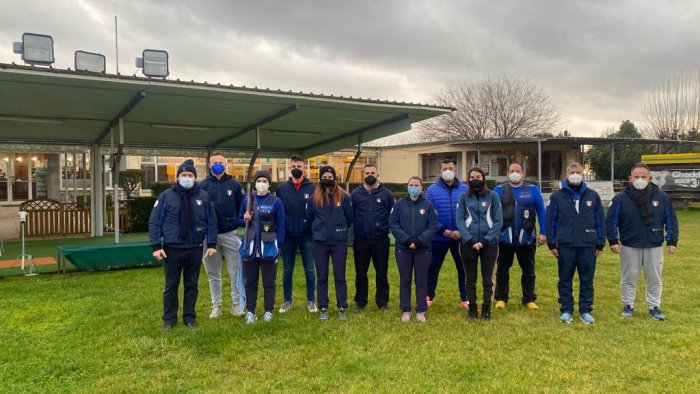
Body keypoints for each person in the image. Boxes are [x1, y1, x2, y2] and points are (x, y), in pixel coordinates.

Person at [149, 159, 218, 331]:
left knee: (191, 284)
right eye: (183, 175)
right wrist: (156, 246)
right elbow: (155, 222)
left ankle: (189, 318)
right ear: (177, 177)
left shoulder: (203, 196)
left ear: (195, 177)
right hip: (172, 249)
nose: (186, 178)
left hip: (194, 248)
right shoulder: (166, 196)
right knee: (171, 285)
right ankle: (169, 319)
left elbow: (212, 222)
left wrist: (211, 244)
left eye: (190, 175)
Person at [605, 163, 678, 321]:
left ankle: (654, 306)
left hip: (654, 244)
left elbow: (671, 220)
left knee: (654, 278)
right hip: (630, 244)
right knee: (628, 277)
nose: (639, 179)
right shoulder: (620, 198)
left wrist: (672, 241)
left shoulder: (662, 198)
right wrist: (612, 240)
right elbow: (611, 221)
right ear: (630, 179)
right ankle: (628, 305)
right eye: (636, 177)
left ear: (650, 178)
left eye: (643, 177)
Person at [546, 162, 605, 325]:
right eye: (572, 172)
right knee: (565, 279)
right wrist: (552, 243)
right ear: (566, 174)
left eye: (578, 172)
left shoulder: (593, 196)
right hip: (566, 245)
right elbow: (551, 221)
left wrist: (600, 243)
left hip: (588, 245)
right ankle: (566, 309)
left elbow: (600, 220)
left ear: (583, 174)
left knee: (587, 280)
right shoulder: (557, 196)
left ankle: (585, 310)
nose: (575, 174)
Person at [494, 162, 547, 310]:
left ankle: (529, 298)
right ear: (507, 173)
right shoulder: (499, 190)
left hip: (527, 237)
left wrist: (543, 232)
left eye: (518, 170)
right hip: (505, 237)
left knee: (529, 270)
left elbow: (541, 211)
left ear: (522, 173)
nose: (515, 173)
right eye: (512, 170)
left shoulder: (532, 190)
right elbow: (492, 213)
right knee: (502, 269)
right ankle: (501, 298)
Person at [199, 152, 246, 319]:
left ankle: (236, 306)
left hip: (230, 234)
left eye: (220, 162)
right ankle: (216, 307)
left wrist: (238, 221)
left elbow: (243, 206)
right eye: (214, 162)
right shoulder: (202, 186)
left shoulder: (234, 184)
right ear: (209, 165)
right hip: (209, 238)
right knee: (213, 274)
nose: (217, 165)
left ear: (225, 164)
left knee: (236, 272)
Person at [305, 165, 353, 322]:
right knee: (322, 276)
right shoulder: (314, 199)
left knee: (340, 276)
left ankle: (342, 307)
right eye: (324, 177)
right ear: (320, 179)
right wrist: (318, 231)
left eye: (329, 177)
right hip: (320, 242)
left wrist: (341, 230)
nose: (327, 179)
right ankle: (323, 307)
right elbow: (310, 218)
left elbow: (349, 217)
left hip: (339, 242)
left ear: (335, 178)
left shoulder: (344, 197)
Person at [238, 170, 285, 324]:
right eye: (259, 180)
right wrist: (244, 218)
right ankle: (250, 311)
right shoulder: (247, 200)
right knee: (250, 282)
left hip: (269, 248)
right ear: (255, 182)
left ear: (269, 183)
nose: (262, 183)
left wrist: (280, 246)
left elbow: (281, 225)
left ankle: (268, 311)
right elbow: (239, 221)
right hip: (250, 248)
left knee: (269, 282)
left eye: (265, 181)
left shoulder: (276, 201)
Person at [390, 176, 439, 322]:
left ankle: (421, 310)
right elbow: (393, 224)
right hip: (403, 249)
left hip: (422, 249)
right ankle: (405, 309)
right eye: (411, 184)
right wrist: (406, 240)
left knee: (421, 280)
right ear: (407, 187)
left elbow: (433, 226)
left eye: (416, 185)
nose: (413, 187)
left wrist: (419, 240)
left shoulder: (428, 205)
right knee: (405, 280)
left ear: (421, 188)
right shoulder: (399, 204)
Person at [456, 167, 503, 321]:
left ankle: (486, 308)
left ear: (483, 178)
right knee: (470, 278)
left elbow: (498, 221)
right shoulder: (463, 197)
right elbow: (460, 221)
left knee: (488, 278)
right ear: (468, 180)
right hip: (467, 244)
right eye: (472, 177)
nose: (475, 179)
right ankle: (472, 308)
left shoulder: (493, 196)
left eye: (478, 176)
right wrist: (469, 239)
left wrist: (485, 240)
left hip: (489, 244)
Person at [275, 155, 318, 314]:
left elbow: (316, 211)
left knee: (310, 268)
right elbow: (278, 211)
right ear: (289, 167)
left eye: (299, 166)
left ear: (304, 168)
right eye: (294, 166)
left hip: (307, 235)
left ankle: (311, 300)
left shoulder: (313, 188)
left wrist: (311, 227)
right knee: (287, 269)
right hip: (288, 235)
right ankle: (287, 301)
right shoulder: (281, 188)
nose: (296, 169)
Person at [425, 159, 469, 308]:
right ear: (440, 171)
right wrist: (444, 231)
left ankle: (465, 298)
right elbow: (429, 215)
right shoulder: (431, 190)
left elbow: (470, 213)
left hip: (461, 237)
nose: (448, 170)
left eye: (450, 168)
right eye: (445, 168)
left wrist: (461, 230)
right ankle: (428, 296)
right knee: (433, 267)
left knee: (463, 268)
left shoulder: (465, 189)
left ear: (455, 170)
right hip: (439, 237)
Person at [351, 163, 395, 313]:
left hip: (380, 239)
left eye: (373, 172)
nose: (370, 175)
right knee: (360, 272)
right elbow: (351, 215)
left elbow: (393, 214)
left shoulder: (387, 194)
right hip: (361, 239)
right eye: (367, 172)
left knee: (381, 272)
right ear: (363, 175)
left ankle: (382, 303)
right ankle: (360, 302)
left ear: (378, 175)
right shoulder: (355, 194)